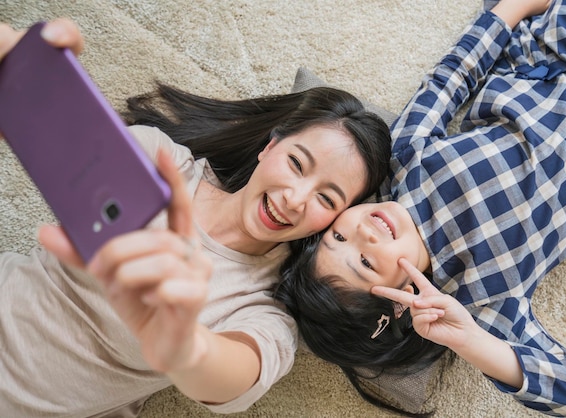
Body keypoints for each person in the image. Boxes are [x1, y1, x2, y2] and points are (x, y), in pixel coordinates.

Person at [0, 19, 392, 417]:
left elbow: (234, 372)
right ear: (269, 147)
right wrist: (21, 93)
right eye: (296, 163)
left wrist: (184, 344)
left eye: (326, 199)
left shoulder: (263, 309)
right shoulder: (158, 160)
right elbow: (50, 140)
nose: (295, 199)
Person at [275, 0, 566, 415]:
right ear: (401, 301)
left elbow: (447, 82)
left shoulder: (402, 164)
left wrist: (511, 11)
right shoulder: (482, 297)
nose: (363, 232)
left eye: (337, 235)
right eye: (366, 262)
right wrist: (469, 341)